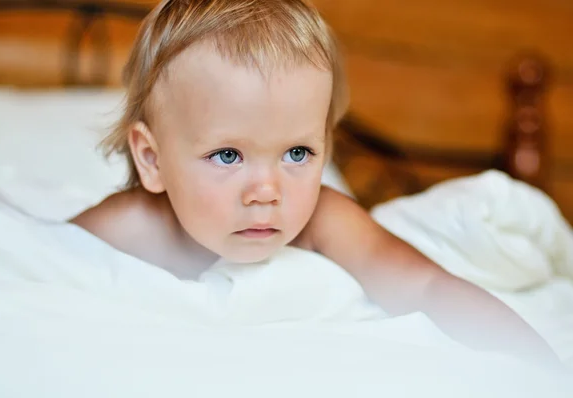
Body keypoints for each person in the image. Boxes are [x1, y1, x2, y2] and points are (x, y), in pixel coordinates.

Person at [71, 0, 560, 368]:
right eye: (227, 155)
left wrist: (540, 368)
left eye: (298, 153)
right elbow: (25, 261)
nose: (266, 190)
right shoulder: (122, 227)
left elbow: (427, 286)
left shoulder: (326, 219)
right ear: (152, 160)